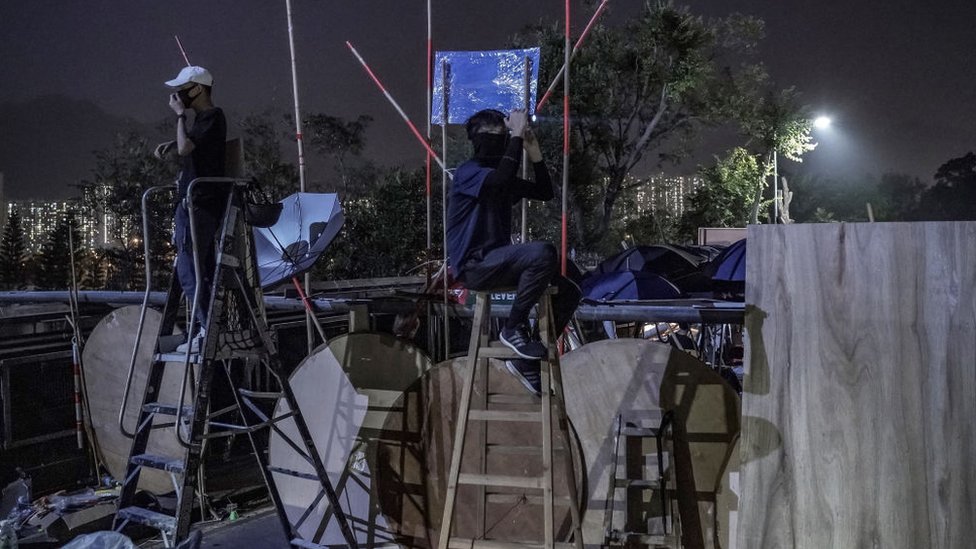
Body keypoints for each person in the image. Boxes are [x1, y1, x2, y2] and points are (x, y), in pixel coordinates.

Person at [446, 108, 581, 395]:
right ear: (480, 141)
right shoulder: (469, 173)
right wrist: (516, 135)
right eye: (498, 137)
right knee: (543, 252)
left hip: (498, 262)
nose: (503, 143)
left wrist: (534, 151)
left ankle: (527, 360)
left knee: (570, 288)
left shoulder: (501, 179)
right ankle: (512, 328)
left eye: (504, 137)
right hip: (474, 266)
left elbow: (544, 192)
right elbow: (499, 179)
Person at [155, 66, 226, 353]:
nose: (178, 95)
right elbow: (193, 145)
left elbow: (187, 149)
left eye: (183, 89)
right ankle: (202, 331)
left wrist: (179, 117)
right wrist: (174, 141)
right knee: (201, 270)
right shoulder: (205, 121)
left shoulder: (212, 116)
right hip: (196, 205)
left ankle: (206, 331)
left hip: (198, 205)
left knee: (189, 270)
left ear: (197, 89)